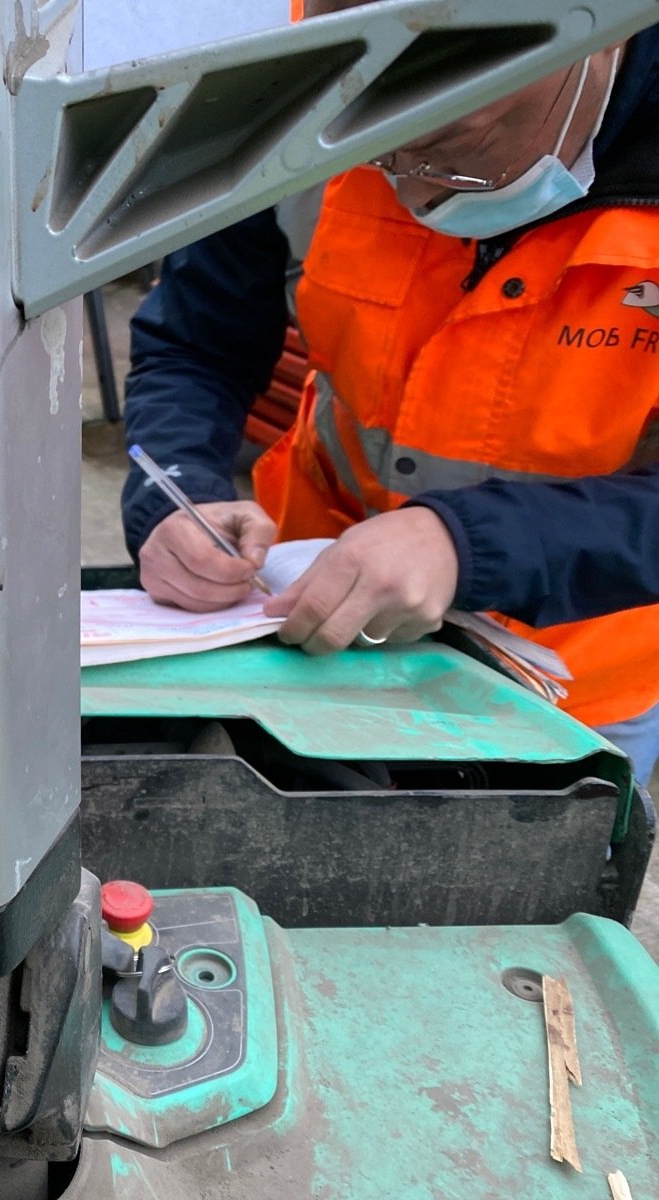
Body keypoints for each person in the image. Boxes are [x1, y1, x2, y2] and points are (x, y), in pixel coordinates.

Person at [121, 5, 659, 779]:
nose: (414, 188)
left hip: (570, 679)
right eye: (376, 148)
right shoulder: (302, 83)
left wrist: (468, 544)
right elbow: (196, 342)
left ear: (598, 35)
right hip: (302, 632)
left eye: (454, 148)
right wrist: (175, 492)